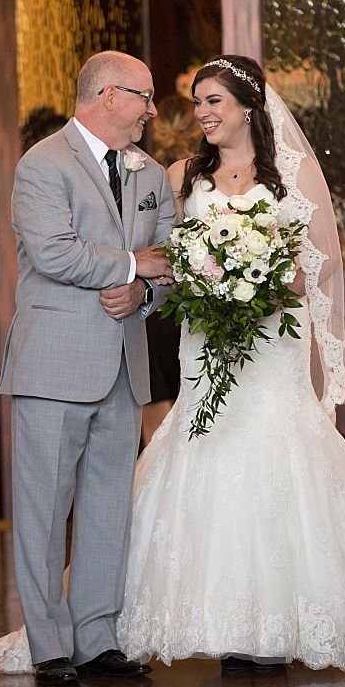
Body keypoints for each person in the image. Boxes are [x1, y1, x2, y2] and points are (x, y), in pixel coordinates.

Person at [116, 55, 345, 673]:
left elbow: (315, 272)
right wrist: (203, 278)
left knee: (277, 460)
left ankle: (278, 620)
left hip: (270, 343)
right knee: (202, 451)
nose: (202, 113)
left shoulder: (293, 179)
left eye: (214, 102)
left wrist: (255, 285)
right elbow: (155, 252)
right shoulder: (180, 178)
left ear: (248, 107)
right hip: (205, 344)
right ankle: (209, 620)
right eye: (197, 102)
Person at [0, 51, 177, 687]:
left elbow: (171, 263)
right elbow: (54, 254)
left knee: (106, 506)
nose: (153, 110)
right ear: (104, 94)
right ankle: (48, 644)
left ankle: (97, 638)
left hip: (123, 365)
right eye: (144, 96)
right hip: (53, 364)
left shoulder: (151, 172)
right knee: (43, 509)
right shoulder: (42, 164)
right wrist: (133, 266)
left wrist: (144, 293)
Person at [140, 93, 203, 445]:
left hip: (157, 309)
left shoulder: (147, 177)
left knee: (157, 432)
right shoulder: (203, 179)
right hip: (197, 308)